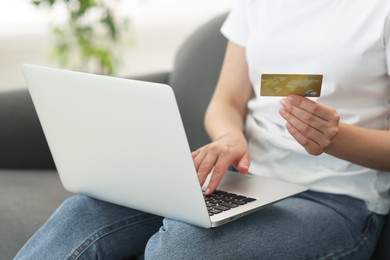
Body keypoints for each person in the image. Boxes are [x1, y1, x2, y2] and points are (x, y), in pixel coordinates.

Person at [16, 0, 390, 259]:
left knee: (183, 247)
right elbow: (226, 100)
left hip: (337, 200)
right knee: (84, 211)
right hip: (248, 182)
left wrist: (336, 140)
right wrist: (230, 136)